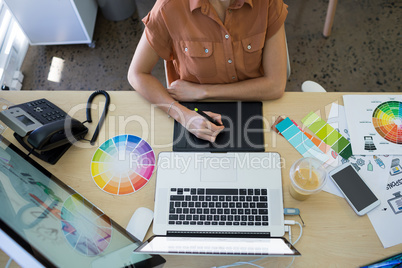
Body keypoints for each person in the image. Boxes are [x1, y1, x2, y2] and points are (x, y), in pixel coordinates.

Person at [128, 0, 288, 142]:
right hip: (194, 112)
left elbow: (275, 86)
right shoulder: (169, 6)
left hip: (255, 103)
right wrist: (182, 115)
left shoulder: (267, 3)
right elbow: (137, 74)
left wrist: (204, 91)